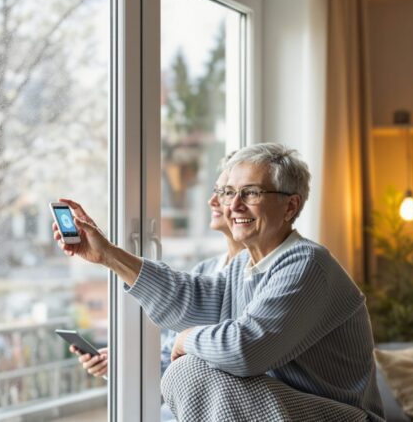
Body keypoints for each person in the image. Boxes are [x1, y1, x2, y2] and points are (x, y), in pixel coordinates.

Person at [54, 143, 384, 421]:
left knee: (190, 373)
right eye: (228, 193)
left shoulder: (307, 263)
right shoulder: (243, 264)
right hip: (284, 409)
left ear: (290, 206)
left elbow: (246, 348)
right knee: (187, 372)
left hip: (343, 417)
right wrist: (108, 255)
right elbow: (189, 298)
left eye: (250, 193)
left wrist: (186, 339)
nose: (234, 205)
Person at [69, 161, 245, 421]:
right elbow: (167, 356)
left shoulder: (265, 276)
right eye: (217, 191)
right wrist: (118, 364)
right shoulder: (203, 270)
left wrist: (187, 341)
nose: (213, 201)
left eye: (226, 193)